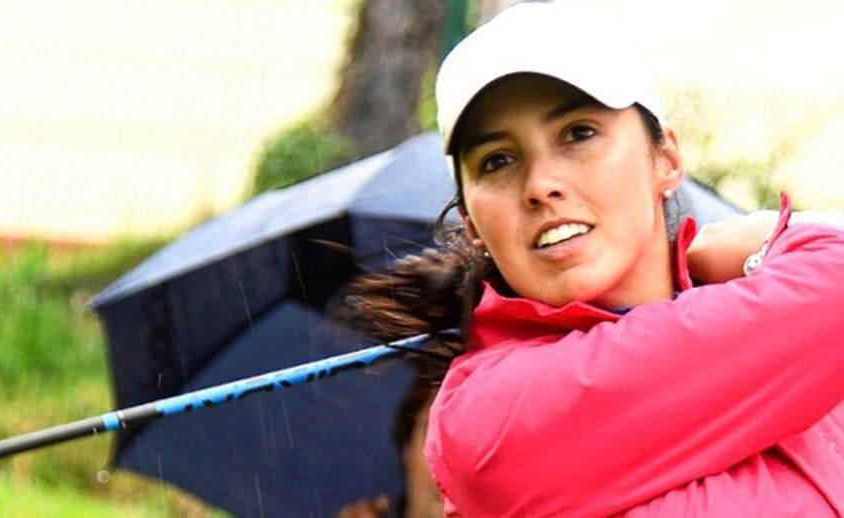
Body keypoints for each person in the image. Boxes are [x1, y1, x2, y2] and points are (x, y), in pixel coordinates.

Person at [337, 2, 844, 517]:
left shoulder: (788, 326)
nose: (540, 185)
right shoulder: (488, 419)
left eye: (579, 133)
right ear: (471, 223)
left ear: (667, 160)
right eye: (497, 161)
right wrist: (765, 239)